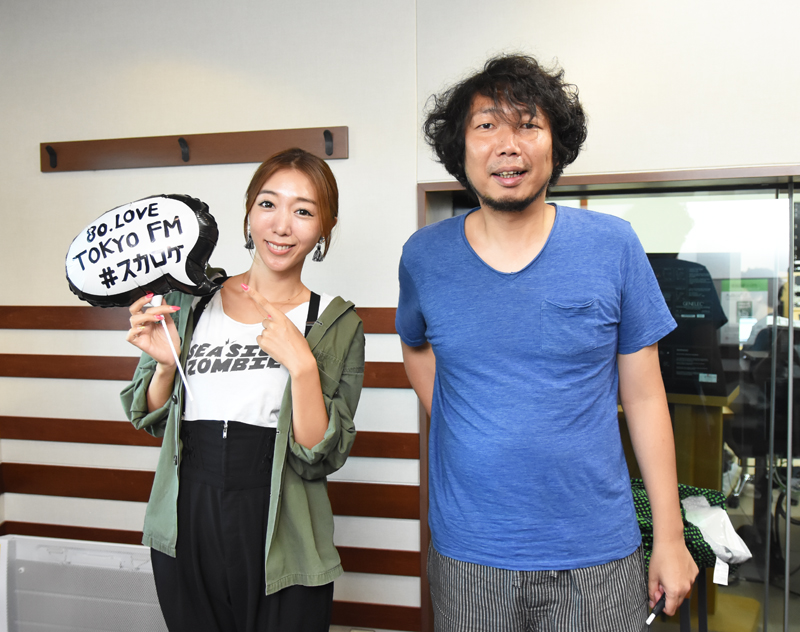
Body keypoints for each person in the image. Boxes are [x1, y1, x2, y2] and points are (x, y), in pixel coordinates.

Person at [396, 55, 698, 631]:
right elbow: (415, 344)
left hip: (597, 553)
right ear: (460, 148)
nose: (508, 145)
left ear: (556, 146)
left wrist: (670, 535)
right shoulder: (424, 256)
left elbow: (645, 397)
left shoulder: (613, 246)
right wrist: (461, 417)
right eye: (487, 125)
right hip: (470, 552)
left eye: (528, 124)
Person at [120, 148, 365, 632]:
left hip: (282, 523)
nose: (281, 226)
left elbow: (318, 456)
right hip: (188, 513)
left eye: (303, 211)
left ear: (325, 228)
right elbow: (149, 419)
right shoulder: (190, 300)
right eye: (268, 204)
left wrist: (303, 368)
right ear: (249, 212)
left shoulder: (336, 323)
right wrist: (166, 367)